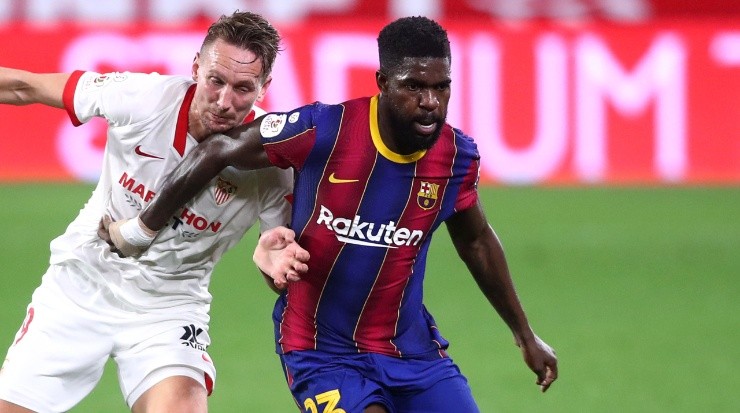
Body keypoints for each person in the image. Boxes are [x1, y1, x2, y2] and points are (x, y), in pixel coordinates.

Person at [111, 16, 558, 412]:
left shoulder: (456, 157)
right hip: (320, 351)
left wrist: (524, 334)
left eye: (441, 87)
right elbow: (218, 149)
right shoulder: (323, 129)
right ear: (383, 82)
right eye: (414, 87)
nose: (430, 102)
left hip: (411, 351)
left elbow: (476, 241)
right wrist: (141, 229)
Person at [0, 11, 309, 413]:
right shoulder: (141, 97)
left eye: (243, 88)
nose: (224, 100)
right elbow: (27, 87)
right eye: (215, 80)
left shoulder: (272, 163)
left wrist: (274, 265)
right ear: (196, 67)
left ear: (265, 88)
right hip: (81, 284)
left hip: (169, 307)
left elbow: (280, 263)